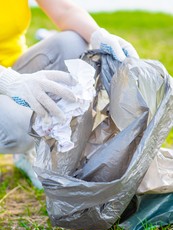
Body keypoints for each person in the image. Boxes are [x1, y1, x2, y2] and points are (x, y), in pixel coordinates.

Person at [0, 0, 138, 188]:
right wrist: (9, 82)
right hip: (7, 80)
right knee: (20, 127)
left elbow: (63, 8)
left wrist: (98, 34)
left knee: (73, 42)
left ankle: (41, 152)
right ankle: (28, 138)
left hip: (14, 66)